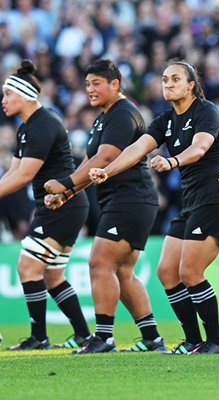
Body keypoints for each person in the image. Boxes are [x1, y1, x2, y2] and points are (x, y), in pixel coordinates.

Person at [89, 60, 219, 355]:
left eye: (175, 79)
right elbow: (136, 149)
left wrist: (172, 160)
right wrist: (109, 170)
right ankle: (194, 341)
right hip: (190, 204)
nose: (167, 84)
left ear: (191, 85)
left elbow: (199, 148)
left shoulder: (205, 111)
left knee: (191, 271)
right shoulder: (165, 119)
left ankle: (216, 342)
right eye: (164, 80)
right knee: (167, 272)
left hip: (214, 200)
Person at [44, 59, 163, 353]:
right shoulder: (104, 116)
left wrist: (66, 183)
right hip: (125, 199)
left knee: (100, 262)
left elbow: (107, 157)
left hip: (130, 199)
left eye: (97, 83)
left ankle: (104, 337)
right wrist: (69, 192)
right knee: (122, 272)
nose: (90, 89)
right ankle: (152, 338)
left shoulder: (123, 113)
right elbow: (90, 161)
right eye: (87, 84)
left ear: (115, 84)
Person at [1, 60, 91, 350]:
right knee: (53, 276)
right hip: (58, 204)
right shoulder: (28, 127)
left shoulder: (42, 124)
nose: (3, 101)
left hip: (62, 204)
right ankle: (83, 335)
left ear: (25, 95)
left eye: (7, 94)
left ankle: (39, 337)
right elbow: (13, 174)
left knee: (28, 267)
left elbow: (25, 175)